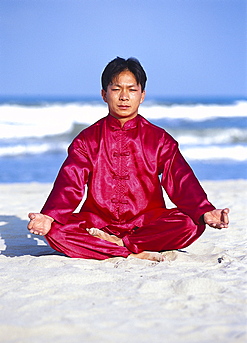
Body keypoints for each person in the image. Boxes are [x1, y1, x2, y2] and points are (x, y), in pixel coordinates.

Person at [28, 57, 229, 262]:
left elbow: (181, 180)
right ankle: (134, 250)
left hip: (147, 222)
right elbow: (69, 183)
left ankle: (119, 245)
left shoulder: (159, 139)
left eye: (132, 90)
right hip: (97, 222)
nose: (124, 97)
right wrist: (49, 216)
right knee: (55, 231)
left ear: (142, 96)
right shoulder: (87, 140)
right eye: (116, 89)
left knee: (192, 223)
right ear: (104, 94)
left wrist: (205, 210)